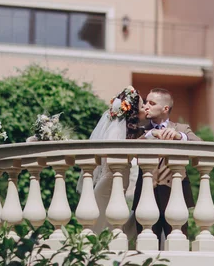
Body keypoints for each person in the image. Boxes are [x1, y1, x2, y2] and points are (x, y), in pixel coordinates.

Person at [132, 88, 201, 244]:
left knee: (178, 243)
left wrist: (179, 137)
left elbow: (201, 146)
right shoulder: (140, 130)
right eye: (146, 102)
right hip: (145, 194)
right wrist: (150, 135)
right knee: (145, 245)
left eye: (152, 103)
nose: (146, 106)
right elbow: (130, 149)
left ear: (165, 108)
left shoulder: (182, 128)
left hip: (174, 194)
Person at [77, 86, 146, 234]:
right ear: (133, 111)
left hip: (120, 178)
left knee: (112, 220)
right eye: (142, 105)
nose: (145, 108)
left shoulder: (131, 132)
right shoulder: (116, 131)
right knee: (101, 220)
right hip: (110, 180)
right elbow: (113, 155)